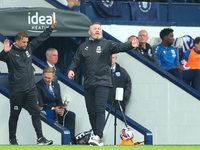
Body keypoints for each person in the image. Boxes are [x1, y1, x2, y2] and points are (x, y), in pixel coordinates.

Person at [67, 22, 139, 146]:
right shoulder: (83, 47)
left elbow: (119, 47)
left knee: (100, 109)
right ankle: (97, 137)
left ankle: (98, 135)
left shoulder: (107, 44)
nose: (97, 30)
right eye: (95, 29)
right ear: (89, 32)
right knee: (91, 111)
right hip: (88, 83)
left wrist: (130, 45)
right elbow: (76, 60)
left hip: (103, 82)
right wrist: (71, 70)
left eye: (99, 29)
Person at [0, 15, 57, 145]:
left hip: (31, 90)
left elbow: (40, 39)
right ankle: (12, 140)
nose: (26, 44)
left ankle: (40, 138)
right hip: (17, 91)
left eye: (27, 42)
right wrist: (4, 52)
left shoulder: (29, 48)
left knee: (36, 113)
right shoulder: (9, 52)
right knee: (14, 115)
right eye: (24, 42)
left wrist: (51, 28)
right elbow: (1, 58)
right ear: (17, 41)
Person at [36, 67, 76, 141]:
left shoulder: (56, 85)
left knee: (71, 115)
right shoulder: (38, 86)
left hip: (57, 109)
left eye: (49, 78)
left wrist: (62, 108)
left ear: (53, 77)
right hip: (47, 110)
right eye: (45, 77)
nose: (47, 80)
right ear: (42, 75)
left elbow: (59, 101)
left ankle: (71, 140)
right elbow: (41, 104)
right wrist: (53, 109)